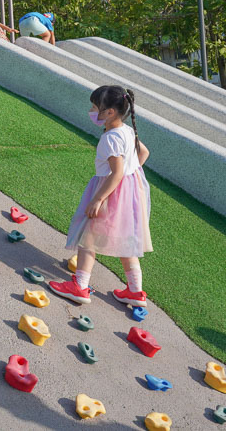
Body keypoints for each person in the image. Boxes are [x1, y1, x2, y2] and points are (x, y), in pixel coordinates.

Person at [48, 86, 152, 307]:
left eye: (95, 107)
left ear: (110, 112)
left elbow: (117, 173)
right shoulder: (127, 131)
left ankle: (80, 287)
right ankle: (135, 292)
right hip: (128, 194)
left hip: (110, 192)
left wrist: (98, 199)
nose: (92, 110)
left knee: (89, 237)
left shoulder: (110, 139)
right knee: (127, 243)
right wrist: (130, 180)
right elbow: (144, 153)